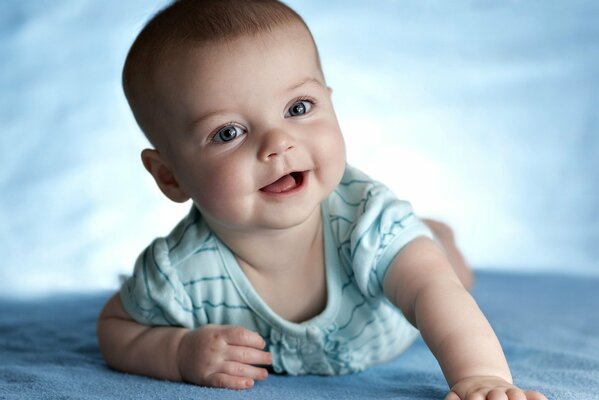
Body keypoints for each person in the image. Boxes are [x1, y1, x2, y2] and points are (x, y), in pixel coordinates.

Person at [96, 1, 546, 399]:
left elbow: (434, 293)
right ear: (170, 175)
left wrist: (480, 378)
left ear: (330, 103)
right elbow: (115, 329)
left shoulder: (368, 222)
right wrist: (177, 353)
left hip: (397, 313)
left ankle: (435, 237)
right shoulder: (178, 272)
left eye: (297, 108)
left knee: (444, 271)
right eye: (228, 133)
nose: (278, 143)